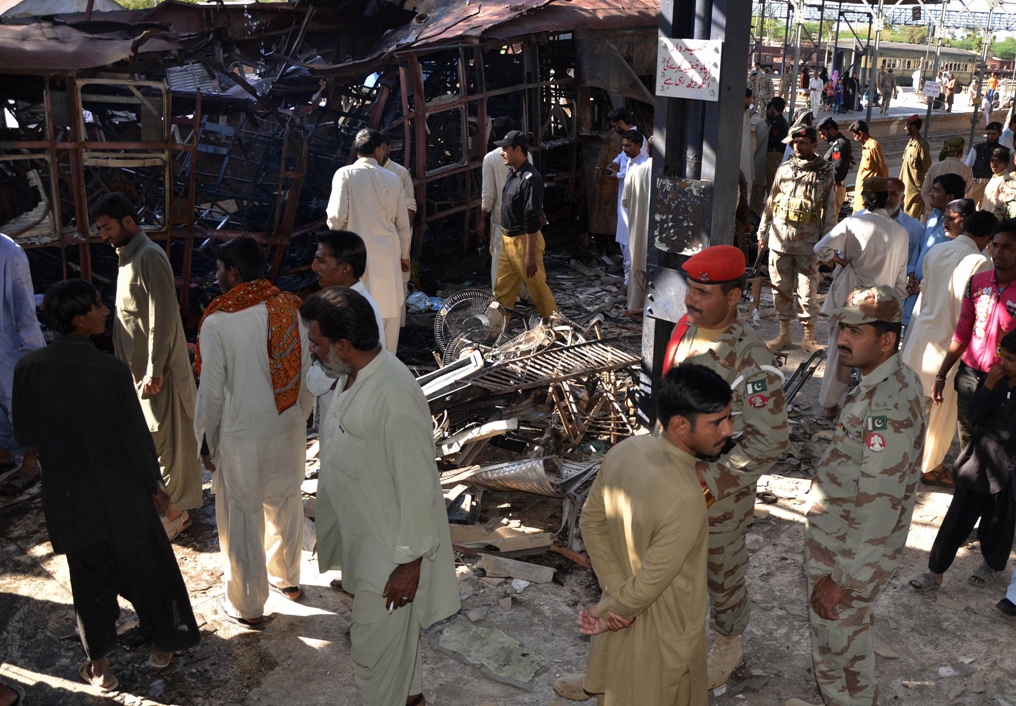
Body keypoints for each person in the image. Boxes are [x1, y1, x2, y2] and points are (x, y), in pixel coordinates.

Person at [555, 248, 789, 701]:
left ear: (735, 296)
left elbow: (770, 441)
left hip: (716, 493)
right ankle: (605, 672)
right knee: (639, 576)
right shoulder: (686, 329)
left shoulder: (752, 362)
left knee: (719, 574)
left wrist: (708, 484)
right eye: (691, 289)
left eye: (703, 292)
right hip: (670, 478)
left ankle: (726, 643)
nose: (690, 300)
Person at [13, 279, 200, 690]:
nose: (105, 310)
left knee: (88, 579)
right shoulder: (111, 370)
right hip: (121, 493)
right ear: (80, 320)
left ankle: (100, 668)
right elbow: (134, 437)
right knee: (146, 569)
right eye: (98, 305)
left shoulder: (28, 368)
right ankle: (163, 646)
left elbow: (25, 431)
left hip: (68, 497)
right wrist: (154, 484)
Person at [301, 286, 459, 706]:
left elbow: (418, 487)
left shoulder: (393, 395)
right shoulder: (349, 377)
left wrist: (408, 565)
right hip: (368, 543)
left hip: (392, 558)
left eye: (316, 344)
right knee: (396, 649)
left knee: (371, 655)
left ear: (345, 346)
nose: (312, 352)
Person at [786, 285, 925, 706]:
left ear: (887, 339)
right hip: (842, 539)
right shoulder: (883, 381)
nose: (843, 339)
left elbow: (880, 503)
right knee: (841, 642)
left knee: (838, 646)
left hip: (849, 552)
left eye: (857, 331)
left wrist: (842, 580)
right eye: (842, 327)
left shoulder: (888, 405)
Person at [574, 363, 732, 706]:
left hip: (624, 609)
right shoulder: (686, 499)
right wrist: (613, 610)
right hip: (663, 629)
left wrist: (613, 593)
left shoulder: (626, 450)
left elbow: (591, 522)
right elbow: (646, 587)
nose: (728, 431)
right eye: (717, 422)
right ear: (679, 424)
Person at [193, 237, 312, 628]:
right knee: (285, 503)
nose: (217, 276)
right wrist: (300, 417)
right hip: (288, 426)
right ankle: (288, 580)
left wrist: (206, 442)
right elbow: (307, 374)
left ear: (235, 273)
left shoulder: (218, 322)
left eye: (219, 269)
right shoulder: (290, 308)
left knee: (243, 517)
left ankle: (248, 605)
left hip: (242, 434)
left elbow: (211, 393)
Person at [92, 192, 202, 541]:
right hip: (141, 375)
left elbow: (164, 316)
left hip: (160, 374)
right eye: (100, 229)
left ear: (127, 222)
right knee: (153, 441)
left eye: (107, 227)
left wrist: (155, 368)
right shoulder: (128, 257)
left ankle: (178, 512)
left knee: (170, 442)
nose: (103, 235)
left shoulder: (149, 256)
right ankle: (169, 504)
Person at [910, 329, 1016, 593]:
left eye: (1012, 360)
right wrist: (988, 386)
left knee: (1000, 522)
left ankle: (991, 565)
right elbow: (976, 416)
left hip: (1010, 468)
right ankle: (934, 572)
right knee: (957, 519)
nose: (1005, 363)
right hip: (979, 461)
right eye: (1004, 356)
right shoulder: (996, 379)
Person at [901, 209, 994, 487]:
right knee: (943, 412)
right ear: (988, 237)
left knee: (912, 405)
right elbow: (978, 313)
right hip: (950, 346)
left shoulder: (936, 251)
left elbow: (927, 293)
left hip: (920, 337)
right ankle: (931, 467)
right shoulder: (980, 262)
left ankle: (901, 455)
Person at [814, 177, 909, 419]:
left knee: (840, 346)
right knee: (876, 352)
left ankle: (829, 404)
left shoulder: (853, 223)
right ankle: (869, 407)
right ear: (886, 200)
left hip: (850, 295)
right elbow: (900, 280)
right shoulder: (900, 232)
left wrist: (844, 262)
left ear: (865, 198)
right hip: (882, 300)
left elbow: (820, 250)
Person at [930, 223, 1016, 480]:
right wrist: (942, 373)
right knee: (968, 434)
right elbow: (963, 330)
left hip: (1006, 379)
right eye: (995, 245)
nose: (998, 252)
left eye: (1008, 247)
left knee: (1000, 439)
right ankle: (969, 487)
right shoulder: (977, 282)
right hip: (969, 374)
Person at [326, 127, 411, 352]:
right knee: (388, 313)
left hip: (356, 255)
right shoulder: (393, 178)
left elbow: (335, 218)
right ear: (377, 150)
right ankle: (387, 367)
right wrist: (404, 255)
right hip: (388, 254)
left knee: (357, 313)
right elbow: (403, 224)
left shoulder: (344, 174)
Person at [759, 124, 838, 353]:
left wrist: (826, 246)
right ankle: (784, 334)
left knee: (807, 291)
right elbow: (771, 201)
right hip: (779, 241)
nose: (797, 146)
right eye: (795, 143)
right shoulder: (784, 169)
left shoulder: (825, 172)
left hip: (807, 245)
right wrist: (762, 232)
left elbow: (830, 210)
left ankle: (808, 337)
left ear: (814, 145)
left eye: (803, 143)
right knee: (780, 289)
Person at [308, 229, 385, 425]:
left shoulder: (348, 311)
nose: (314, 267)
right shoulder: (356, 303)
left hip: (347, 418)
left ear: (345, 269)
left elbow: (317, 383)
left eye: (321, 261)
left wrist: (313, 372)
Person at [493, 129, 558, 319]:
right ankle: (495, 332)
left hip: (524, 241)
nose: (501, 152)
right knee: (502, 289)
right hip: (508, 240)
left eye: (505, 148)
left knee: (537, 288)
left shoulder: (531, 179)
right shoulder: (513, 174)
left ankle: (556, 327)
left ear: (518, 149)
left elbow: (532, 218)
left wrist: (530, 256)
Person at [0, 232, 44, 476]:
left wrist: (32, 351)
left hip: (9, 344)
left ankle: (30, 460)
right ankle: (3, 453)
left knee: (18, 402)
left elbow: (24, 308)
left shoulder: (9, 252)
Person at [905, 187, 975, 326]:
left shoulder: (971, 254)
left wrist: (924, 287)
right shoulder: (933, 217)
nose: (945, 224)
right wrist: (912, 275)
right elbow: (921, 246)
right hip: (914, 291)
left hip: (935, 304)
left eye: (936, 190)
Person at [378, 132, 417, 330]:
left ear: (387, 149)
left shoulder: (400, 172)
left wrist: (402, 237)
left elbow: (410, 207)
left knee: (398, 284)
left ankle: (397, 331)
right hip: (376, 241)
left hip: (396, 236)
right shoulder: (367, 173)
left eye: (382, 147)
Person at [479, 117, 522, 292]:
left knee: (500, 257)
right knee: (521, 255)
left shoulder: (490, 158)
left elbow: (488, 195)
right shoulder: (525, 155)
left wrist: (481, 220)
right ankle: (523, 292)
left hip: (500, 217)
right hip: (522, 216)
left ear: (494, 134)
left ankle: (504, 295)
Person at [607, 129, 649, 290]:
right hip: (625, 210)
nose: (624, 149)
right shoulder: (631, 160)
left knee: (632, 248)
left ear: (639, 146)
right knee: (625, 246)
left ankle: (629, 284)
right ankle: (628, 281)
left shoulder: (642, 166)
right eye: (623, 146)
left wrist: (617, 175)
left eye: (628, 146)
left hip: (634, 213)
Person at [622, 136, 653, 312]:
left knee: (637, 273)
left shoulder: (634, 173)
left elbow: (625, 202)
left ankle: (634, 309)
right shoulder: (667, 176)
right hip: (659, 237)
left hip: (637, 234)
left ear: (646, 150)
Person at [920, 136, 973, 215]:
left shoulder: (934, 167)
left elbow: (925, 192)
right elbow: (967, 197)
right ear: (961, 151)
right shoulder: (967, 171)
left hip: (931, 215)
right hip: (954, 215)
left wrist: (931, 208)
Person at [848, 121, 888, 213]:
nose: (855, 139)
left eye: (855, 136)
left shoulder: (873, 146)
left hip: (868, 193)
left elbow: (882, 169)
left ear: (861, 133)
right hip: (861, 192)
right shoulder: (866, 146)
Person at [884, 177, 926, 264]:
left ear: (902, 199)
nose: (887, 198)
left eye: (893, 194)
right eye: (885, 194)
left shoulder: (914, 227)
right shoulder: (867, 221)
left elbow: (921, 257)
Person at [899, 115, 932, 220]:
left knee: (911, 222)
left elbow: (927, 168)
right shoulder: (910, 143)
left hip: (914, 194)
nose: (905, 128)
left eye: (907, 125)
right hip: (904, 191)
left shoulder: (922, 145)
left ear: (913, 127)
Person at [818, 117, 852, 217]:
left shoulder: (838, 145)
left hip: (834, 188)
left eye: (823, 133)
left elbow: (836, 169)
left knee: (830, 220)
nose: (821, 136)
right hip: (833, 187)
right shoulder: (837, 143)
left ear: (831, 130)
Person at [964, 122, 1003, 206]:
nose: (990, 137)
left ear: (1000, 134)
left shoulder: (1004, 151)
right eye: (988, 134)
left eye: (993, 134)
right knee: (968, 209)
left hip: (994, 186)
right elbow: (967, 167)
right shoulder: (977, 149)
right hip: (977, 185)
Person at [764, 98, 790, 194]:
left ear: (773, 107)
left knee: (772, 187)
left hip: (774, 157)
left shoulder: (777, 123)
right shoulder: (780, 121)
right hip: (776, 156)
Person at [983, 146, 1012, 216]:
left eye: (998, 161)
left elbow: (1003, 208)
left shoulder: (1006, 181)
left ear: (1006, 163)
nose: (994, 164)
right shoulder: (995, 177)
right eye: (992, 160)